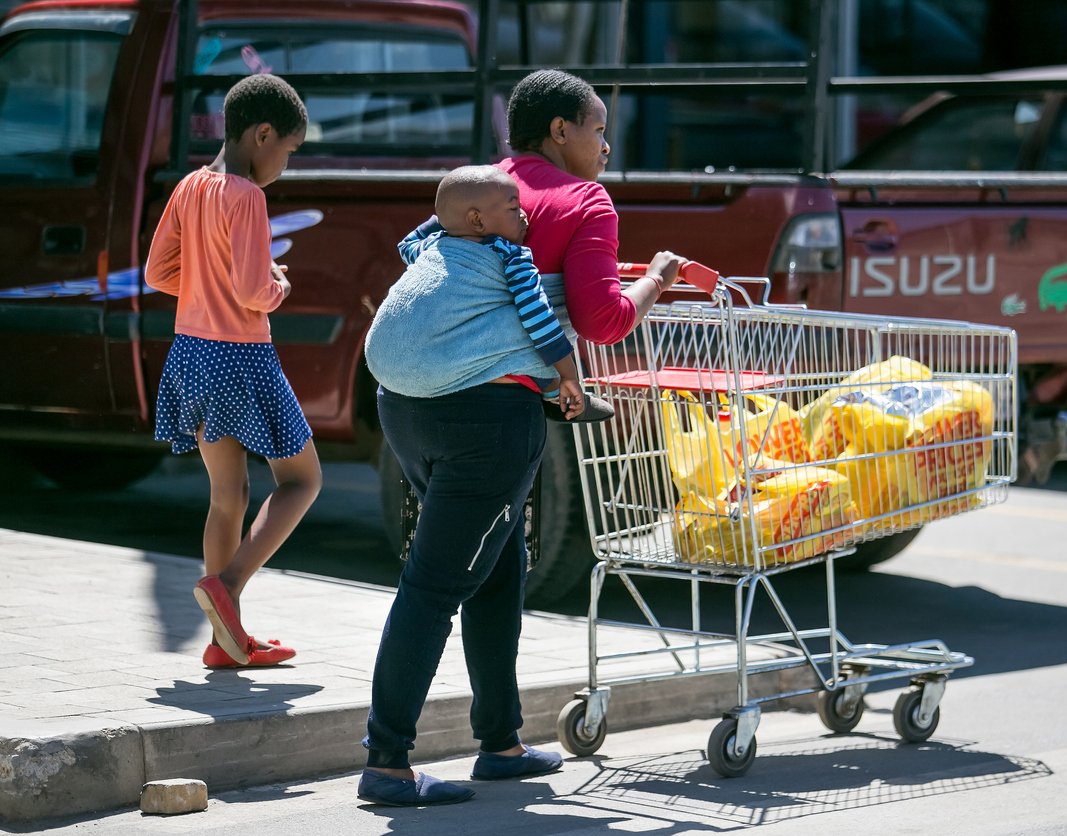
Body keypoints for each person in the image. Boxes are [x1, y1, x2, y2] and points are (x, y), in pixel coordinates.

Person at [356, 67, 684, 807]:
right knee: (436, 583)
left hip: (407, 405)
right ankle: (386, 762)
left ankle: (500, 742)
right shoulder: (584, 200)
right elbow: (603, 321)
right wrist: (655, 279)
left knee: (502, 563)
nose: (607, 145)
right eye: (598, 128)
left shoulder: (481, 189)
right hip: (490, 420)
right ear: (560, 131)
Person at [145, 73, 323, 670]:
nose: (285, 165)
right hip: (241, 354)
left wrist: (202, 286)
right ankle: (230, 585)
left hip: (191, 350)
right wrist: (279, 284)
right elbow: (253, 290)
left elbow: (156, 274)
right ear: (262, 133)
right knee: (302, 480)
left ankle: (226, 640)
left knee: (229, 496)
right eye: (288, 152)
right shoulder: (247, 195)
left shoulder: (191, 185)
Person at [369, 164, 612, 422]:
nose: (524, 215)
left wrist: (450, 214)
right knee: (533, 333)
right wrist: (568, 373)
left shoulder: (433, 246)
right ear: (477, 220)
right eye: (513, 208)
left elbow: (406, 244)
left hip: (386, 370)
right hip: (437, 372)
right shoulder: (510, 256)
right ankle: (556, 393)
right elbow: (537, 314)